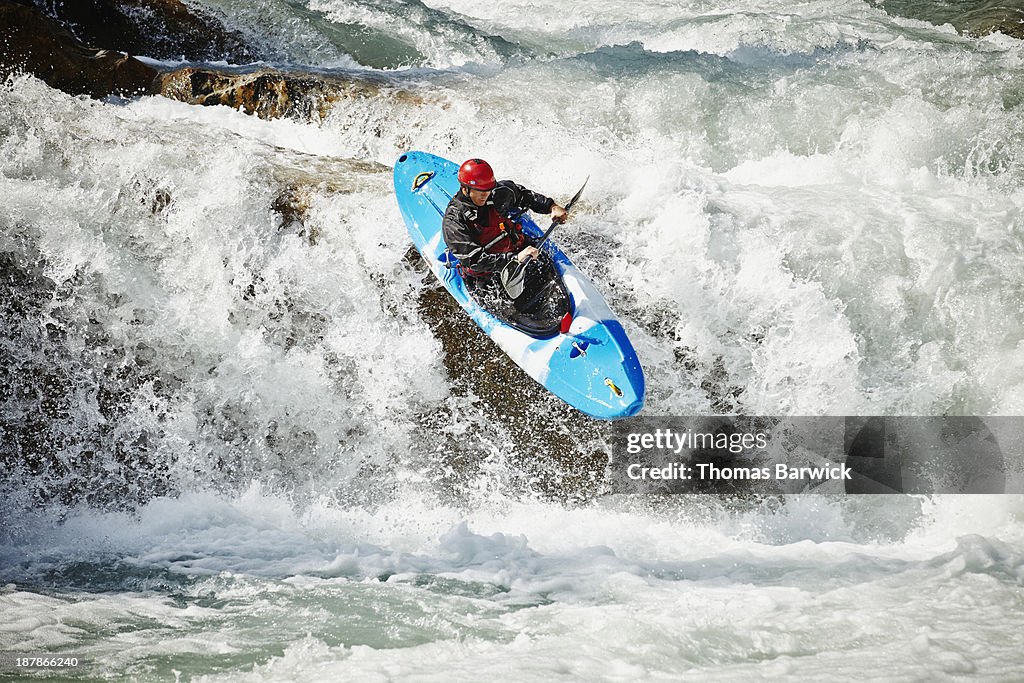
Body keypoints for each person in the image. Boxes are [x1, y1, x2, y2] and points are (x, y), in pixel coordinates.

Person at [441, 158, 568, 293]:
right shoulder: (454, 221)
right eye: (480, 191)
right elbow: (474, 261)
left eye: (488, 189)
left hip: (521, 250)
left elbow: (524, 196)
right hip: (489, 276)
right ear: (465, 188)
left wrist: (551, 206)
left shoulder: (495, 194)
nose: (485, 195)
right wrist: (514, 259)